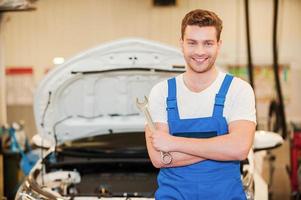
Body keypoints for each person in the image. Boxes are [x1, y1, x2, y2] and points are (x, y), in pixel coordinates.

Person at [145, 9, 256, 199]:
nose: (199, 51)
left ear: (219, 45)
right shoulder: (161, 92)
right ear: (181, 44)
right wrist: (221, 147)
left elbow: (239, 148)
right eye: (192, 43)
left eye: (208, 43)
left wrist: (174, 143)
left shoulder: (238, 90)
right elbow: (158, 158)